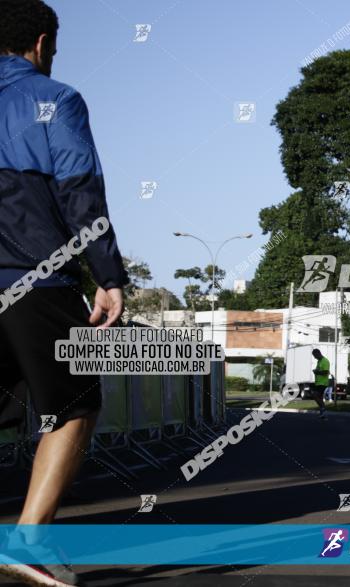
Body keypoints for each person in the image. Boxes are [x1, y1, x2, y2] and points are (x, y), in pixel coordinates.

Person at [0, 2, 128, 585]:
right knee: (74, 404)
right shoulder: (55, 99)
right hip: (33, 276)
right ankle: (28, 539)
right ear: (43, 42)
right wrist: (109, 275)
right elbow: (80, 193)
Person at [311, 349, 329, 418]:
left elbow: (326, 372)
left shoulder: (325, 361)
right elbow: (319, 370)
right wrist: (316, 371)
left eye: (315, 356)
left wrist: (317, 372)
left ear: (318, 353)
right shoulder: (319, 361)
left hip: (323, 383)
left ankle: (323, 408)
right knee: (320, 397)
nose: (314, 357)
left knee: (315, 395)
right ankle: (322, 413)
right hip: (318, 383)